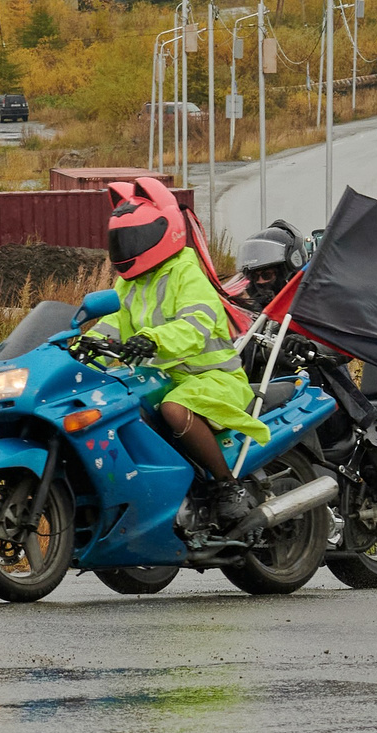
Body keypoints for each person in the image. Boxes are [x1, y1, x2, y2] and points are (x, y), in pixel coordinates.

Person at [104, 179, 270, 534]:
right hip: (161, 380)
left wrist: (150, 340)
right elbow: (113, 322)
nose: (126, 248)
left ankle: (228, 486)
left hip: (211, 380)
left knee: (174, 409)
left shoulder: (185, 272)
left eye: (134, 238)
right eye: (120, 240)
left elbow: (194, 326)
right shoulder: (129, 282)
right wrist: (82, 346)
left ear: (165, 231)